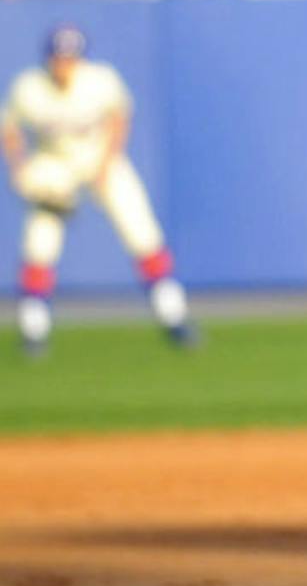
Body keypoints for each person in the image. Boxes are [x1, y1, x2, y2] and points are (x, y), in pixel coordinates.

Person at [3, 25, 197, 356]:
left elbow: (119, 116)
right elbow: (9, 126)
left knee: (142, 233)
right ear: (48, 59)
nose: (63, 65)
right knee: (39, 244)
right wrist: (19, 168)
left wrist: (107, 163)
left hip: (100, 157)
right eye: (58, 58)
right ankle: (34, 330)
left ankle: (173, 317)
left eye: (70, 58)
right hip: (55, 163)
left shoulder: (99, 80)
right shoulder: (30, 87)